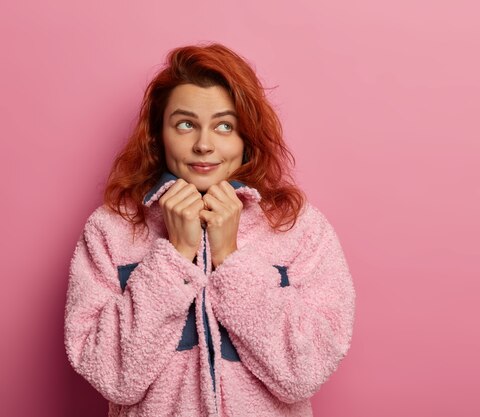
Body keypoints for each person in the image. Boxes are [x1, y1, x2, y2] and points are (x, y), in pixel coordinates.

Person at [64, 43, 356, 417]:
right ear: (158, 135)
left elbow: (304, 373)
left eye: (224, 126)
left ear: (246, 137)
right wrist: (174, 257)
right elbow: (112, 377)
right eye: (185, 124)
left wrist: (230, 259)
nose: (203, 145)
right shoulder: (111, 230)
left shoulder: (299, 228)